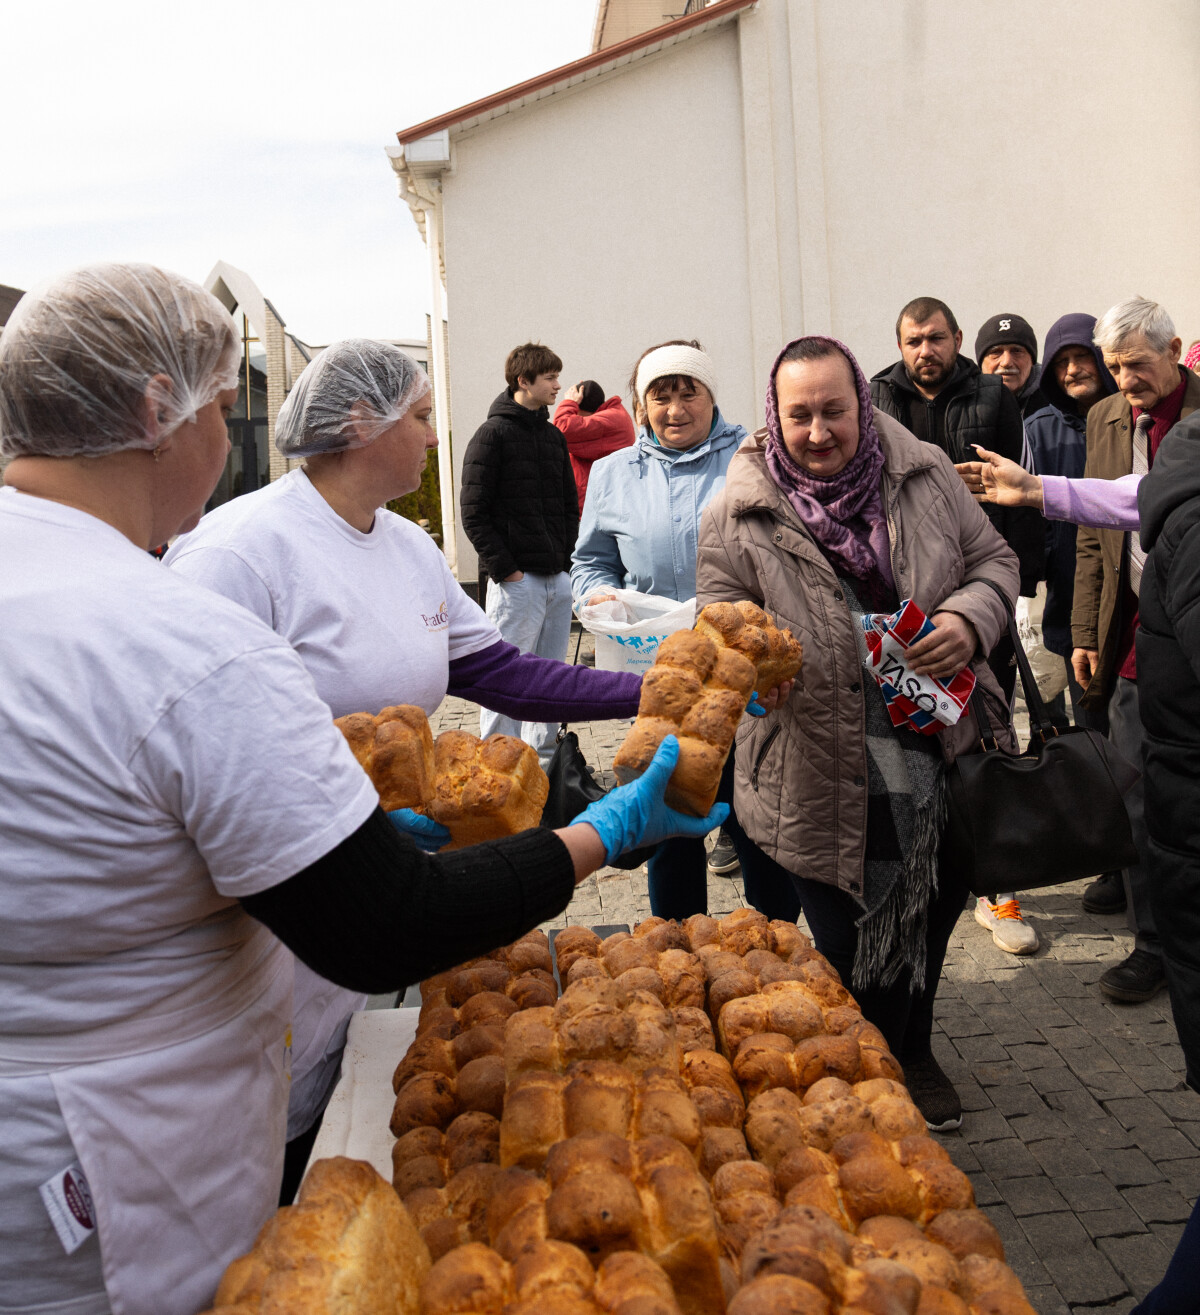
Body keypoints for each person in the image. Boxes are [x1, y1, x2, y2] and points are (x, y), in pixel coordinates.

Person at [0, 263, 727, 1315]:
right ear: (160, 409)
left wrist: (646, 685)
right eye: (220, 402)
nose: (229, 431)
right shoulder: (186, 635)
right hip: (112, 1189)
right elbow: (387, 924)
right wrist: (604, 834)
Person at [164, 339, 644, 1199]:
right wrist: (328, 827)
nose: (433, 440)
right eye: (421, 417)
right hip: (265, 916)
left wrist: (644, 694)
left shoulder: (406, 547)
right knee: (267, 1153)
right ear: (359, 422)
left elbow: (497, 671)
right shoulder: (239, 555)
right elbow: (190, 765)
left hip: (372, 893)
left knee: (334, 1108)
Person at [698, 335, 1018, 1132]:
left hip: (942, 739)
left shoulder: (925, 473)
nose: (818, 431)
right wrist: (753, 661)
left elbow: (997, 560)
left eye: (834, 410)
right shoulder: (738, 509)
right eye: (799, 414)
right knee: (845, 930)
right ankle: (862, 1056)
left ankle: (914, 1046)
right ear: (775, 416)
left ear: (862, 405)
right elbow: (719, 619)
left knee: (936, 903)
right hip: (815, 754)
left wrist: (965, 619)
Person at [571, 339, 798, 921]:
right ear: (641, 406)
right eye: (660, 395)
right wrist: (595, 592)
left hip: (740, 669)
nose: (675, 408)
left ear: (710, 395)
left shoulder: (754, 458)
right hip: (659, 673)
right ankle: (676, 948)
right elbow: (591, 558)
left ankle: (776, 946)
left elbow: (785, 551)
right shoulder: (613, 472)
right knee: (668, 821)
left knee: (757, 820)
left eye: (687, 391)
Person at [870, 297, 1043, 954]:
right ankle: (919, 872)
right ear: (900, 342)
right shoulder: (875, 396)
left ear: (957, 338)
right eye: (913, 339)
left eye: (935, 338)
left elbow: (1020, 499)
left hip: (978, 599)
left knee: (988, 737)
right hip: (903, 612)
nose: (925, 350)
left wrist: (1017, 593)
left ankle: (998, 887)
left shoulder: (994, 396)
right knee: (912, 745)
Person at [1069, 296, 1200, 1003]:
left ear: (1175, 350)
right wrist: (1088, 631)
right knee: (1134, 788)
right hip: (1134, 635)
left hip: (1195, 624)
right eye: (1114, 367)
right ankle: (1154, 942)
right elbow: (1096, 530)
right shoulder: (1105, 418)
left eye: (1138, 364)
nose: (1124, 379)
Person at [1021, 315, 1123, 913]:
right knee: (1093, 740)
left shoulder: (1125, 422)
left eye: (1082, 358)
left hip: (1125, 608)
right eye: (1062, 363)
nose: (1074, 370)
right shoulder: (1038, 426)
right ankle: (1112, 865)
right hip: (1069, 604)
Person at [460, 342, 578, 764]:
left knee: (550, 680)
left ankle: (542, 774)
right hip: (517, 585)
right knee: (505, 682)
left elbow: (569, 505)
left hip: (555, 581)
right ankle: (498, 771)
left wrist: (565, 565)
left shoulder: (552, 436)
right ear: (522, 382)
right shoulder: (491, 435)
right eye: (549, 378)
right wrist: (508, 572)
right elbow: (474, 514)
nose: (558, 386)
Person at [552, 378, 635, 511]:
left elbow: (562, 428)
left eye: (577, 413)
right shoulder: (611, 416)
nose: (576, 416)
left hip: (595, 508)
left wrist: (569, 403)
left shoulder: (607, 420)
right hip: (594, 503)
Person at [975, 312, 1047, 418]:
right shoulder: (962, 407)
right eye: (996, 352)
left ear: (1032, 360)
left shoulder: (1058, 406)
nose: (1006, 362)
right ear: (981, 363)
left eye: (1016, 351)